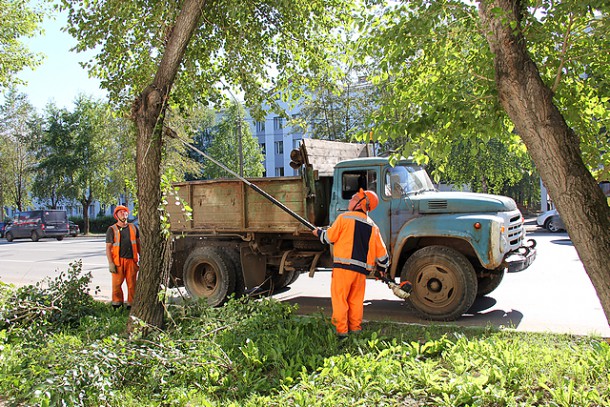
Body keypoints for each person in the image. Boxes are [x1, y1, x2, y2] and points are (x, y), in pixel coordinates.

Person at [313, 189, 389, 338]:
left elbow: (329, 237)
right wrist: (382, 268)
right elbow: (383, 254)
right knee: (356, 302)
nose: (350, 201)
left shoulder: (344, 218)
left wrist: (318, 233)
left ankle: (341, 333)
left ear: (361, 204)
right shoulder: (373, 226)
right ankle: (355, 330)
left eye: (354, 198)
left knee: (340, 300)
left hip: (343, 269)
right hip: (360, 273)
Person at [106, 205, 141, 309]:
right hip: (118, 262)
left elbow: (138, 244)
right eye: (120, 212)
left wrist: (142, 257)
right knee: (116, 285)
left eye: (125, 212)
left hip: (131, 261)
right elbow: (108, 248)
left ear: (127, 214)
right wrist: (111, 263)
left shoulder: (133, 228)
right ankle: (117, 305)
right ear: (116, 215)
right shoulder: (112, 229)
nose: (123, 214)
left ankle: (131, 305)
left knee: (132, 285)